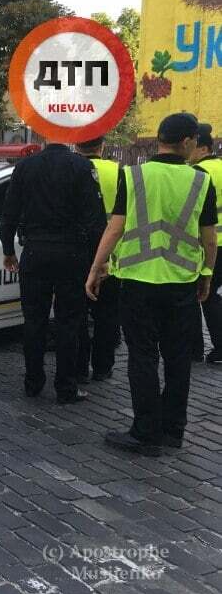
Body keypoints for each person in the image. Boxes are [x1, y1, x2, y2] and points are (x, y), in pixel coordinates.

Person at [87, 113, 218, 456]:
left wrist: (96, 268)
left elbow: (114, 228)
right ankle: (173, 430)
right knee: (177, 359)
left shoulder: (132, 177)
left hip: (137, 283)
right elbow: (209, 240)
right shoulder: (200, 181)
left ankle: (145, 432)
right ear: (188, 141)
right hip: (181, 284)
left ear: (159, 139)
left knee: (142, 357)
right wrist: (205, 275)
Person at [0, 141, 104, 403]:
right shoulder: (82, 166)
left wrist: (7, 250)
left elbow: (9, 212)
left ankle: (33, 382)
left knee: (34, 320)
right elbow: (95, 220)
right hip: (72, 254)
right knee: (69, 322)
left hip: (35, 251)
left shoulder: (24, 167)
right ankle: (66, 387)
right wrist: (96, 262)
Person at [75, 136, 122, 382]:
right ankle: (103, 367)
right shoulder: (118, 171)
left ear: (76, 146)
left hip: (79, 251)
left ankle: (80, 368)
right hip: (112, 255)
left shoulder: (72, 170)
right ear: (101, 147)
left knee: (78, 313)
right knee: (107, 314)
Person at [189, 123, 222, 363]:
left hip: (208, 244)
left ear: (201, 148)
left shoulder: (199, 174)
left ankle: (197, 348)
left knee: (201, 295)